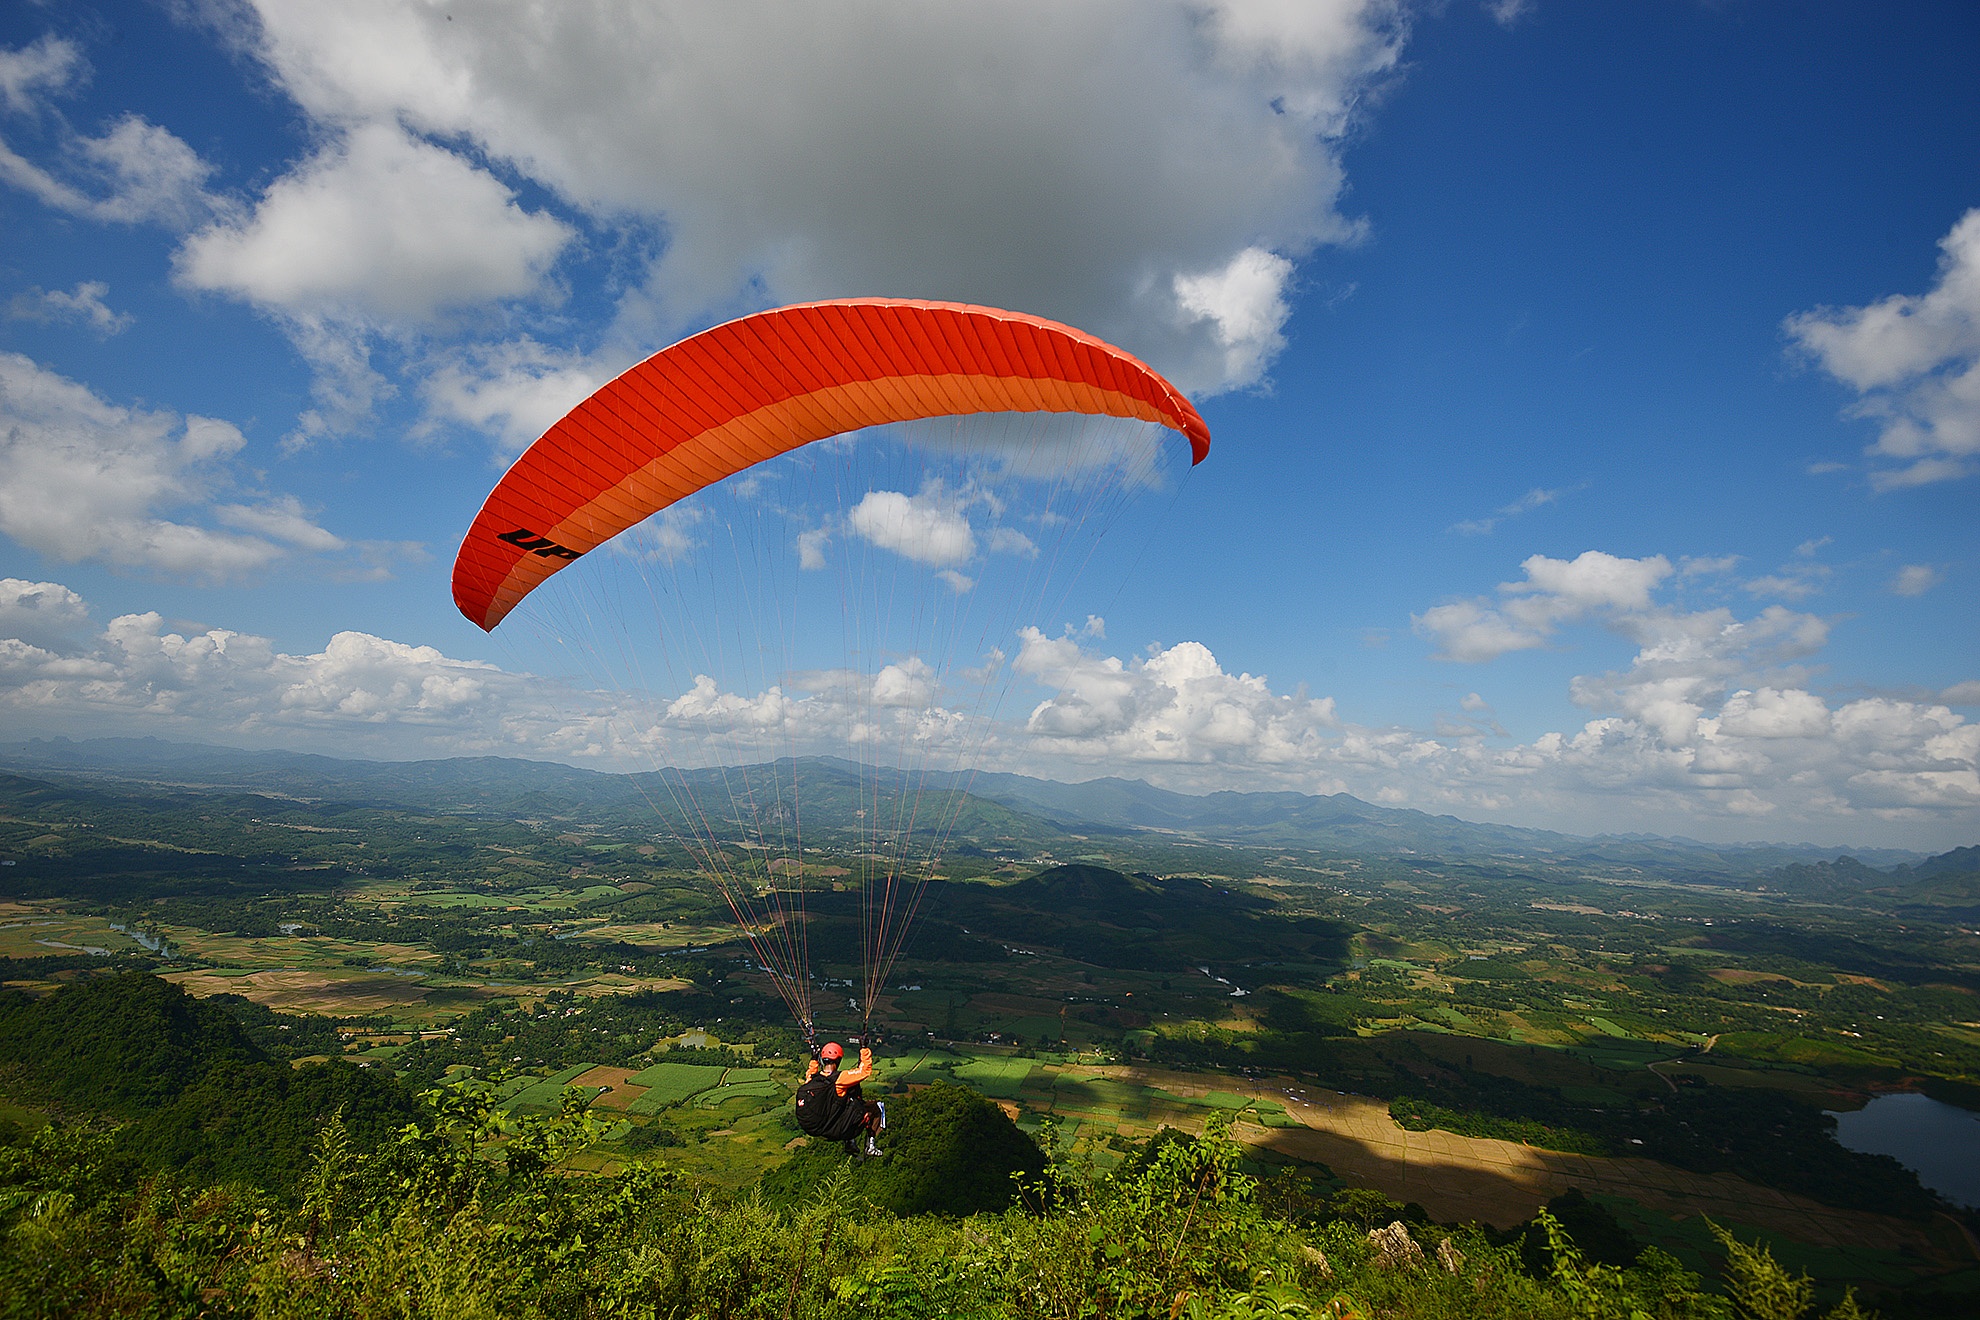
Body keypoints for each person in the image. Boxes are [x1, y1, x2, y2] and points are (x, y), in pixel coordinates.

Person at [794, 1041, 886, 1156]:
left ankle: (850, 1142)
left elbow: (809, 1074)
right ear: (838, 1060)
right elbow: (864, 1072)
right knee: (876, 1107)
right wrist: (864, 1049)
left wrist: (814, 1060)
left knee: (847, 1097)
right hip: (837, 1130)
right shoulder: (839, 1079)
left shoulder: (814, 1080)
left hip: (819, 1129)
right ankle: (870, 1146)